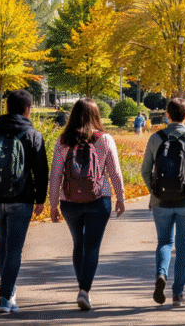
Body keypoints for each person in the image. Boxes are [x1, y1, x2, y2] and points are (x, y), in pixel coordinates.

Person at [0, 89, 49, 314]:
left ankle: (10, 292)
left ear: (7, 108)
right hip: (21, 199)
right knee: (14, 249)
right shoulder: (33, 134)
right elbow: (41, 171)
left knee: (3, 244)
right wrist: (40, 199)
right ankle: (5, 298)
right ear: (27, 109)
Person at [48, 98, 126, 311]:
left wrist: (53, 204)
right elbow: (114, 171)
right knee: (92, 246)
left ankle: (82, 286)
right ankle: (84, 291)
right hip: (99, 199)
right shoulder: (105, 139)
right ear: (96, 116)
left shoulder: (63, 140)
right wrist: (120, 197)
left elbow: (55, 175)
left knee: (78, 244)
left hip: (70, 201)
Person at [141, 98, 185, 306]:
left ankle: (161, 274)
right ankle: (178, 294)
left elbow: (145, 170)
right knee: (183, 246)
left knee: (164, 242)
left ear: (167, 115)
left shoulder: (155, 138)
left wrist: (155, 192)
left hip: (161, 202)